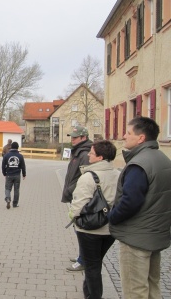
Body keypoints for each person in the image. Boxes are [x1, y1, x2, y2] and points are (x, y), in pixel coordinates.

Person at [108, 117, 171, 299]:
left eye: (128, 133)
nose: (123, 136)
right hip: (155, 235)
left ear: (141, 138)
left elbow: (130, 202)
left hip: (136, 238)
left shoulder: (138, 164)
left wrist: (112, 216)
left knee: (135, 291)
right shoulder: (163, 160)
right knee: (152, 287)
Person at [69, 140, 120, 299]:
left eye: (92, 152)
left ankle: (94, 296)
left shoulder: (88, 177)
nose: (89, 155)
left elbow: (77, 205)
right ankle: (88, 293)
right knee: (95, 263)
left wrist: (72, 217)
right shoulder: (119, 174)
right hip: (110, 229)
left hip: (89, 230)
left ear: (100, 157)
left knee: (92, 267)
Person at [62, 125, 92, 272]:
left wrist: (71, 190)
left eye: (75, 137)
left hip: (80, 197)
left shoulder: (85, 154)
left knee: (81, 230)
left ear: (83, 138)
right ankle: (82, 256)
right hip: (75, 196)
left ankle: (83, 260)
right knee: (77, 228)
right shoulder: (79, 152)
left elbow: (86, 178)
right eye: (72, 137)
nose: (72, 140)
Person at [2, 141, 26, 209]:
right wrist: (24, 174)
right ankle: (15, 204)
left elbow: (3, 165)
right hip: (17, 175)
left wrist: (4, 173)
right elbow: (23, 166)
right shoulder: (20, 156)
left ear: (11, 147)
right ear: (17, 148)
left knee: (7, 188)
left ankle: (8, 198)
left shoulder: (6, 155)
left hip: (9, 174)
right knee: (16, 189)